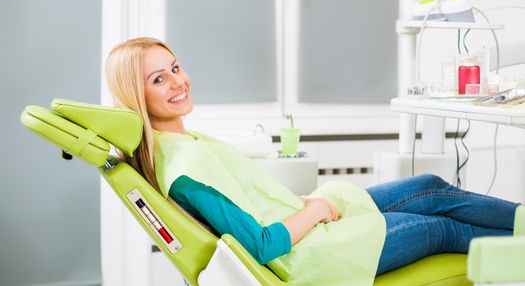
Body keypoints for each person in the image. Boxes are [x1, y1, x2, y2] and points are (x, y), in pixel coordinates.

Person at [105, 37, 521, 285]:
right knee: (442, 229)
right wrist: (318, 209)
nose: (178, 81)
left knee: (427, 187)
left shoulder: (180, 141)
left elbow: (248, 204)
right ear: (135, 94)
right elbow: (261, 246)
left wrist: (303, 205)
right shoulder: (185, 165)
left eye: (175, 67)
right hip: (309, 256)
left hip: (301, 224)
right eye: (159, 79)